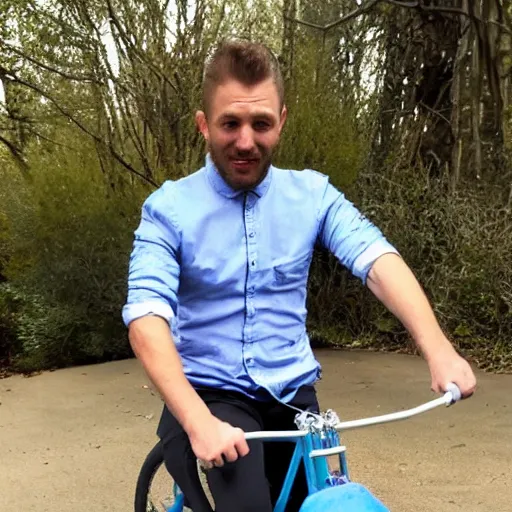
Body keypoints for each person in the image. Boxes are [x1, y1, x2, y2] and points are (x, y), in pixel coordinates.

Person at [122, 40, 476, 512]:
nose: (246, 141)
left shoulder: (313, 196)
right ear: (204, 124)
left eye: (261, 123)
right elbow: (146, 314)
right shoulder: (168, 210)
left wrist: (440, 350)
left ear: (282, 121)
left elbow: (376, 260)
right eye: (230, 123)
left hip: (293, 398)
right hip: (211, 399)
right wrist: (195, 418)